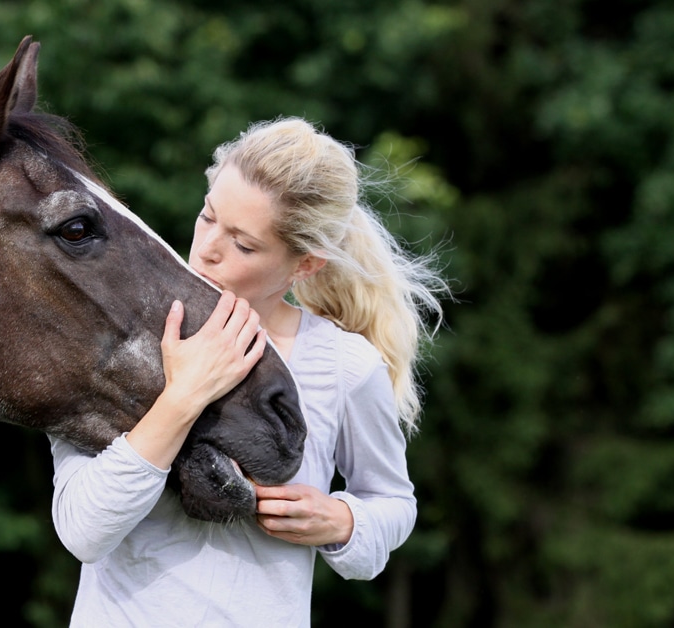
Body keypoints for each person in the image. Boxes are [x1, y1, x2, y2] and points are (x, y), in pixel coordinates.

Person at [48, 117, 446, 626]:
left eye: (244, 244)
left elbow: (393, 501)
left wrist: (342, 520)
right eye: (208, 216)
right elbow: (84, 531)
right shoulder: (117, 329)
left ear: (305, 265)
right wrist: (183, 396)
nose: (208, 247)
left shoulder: (345, 366)